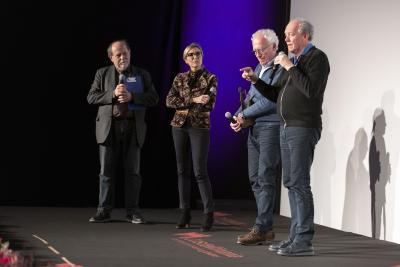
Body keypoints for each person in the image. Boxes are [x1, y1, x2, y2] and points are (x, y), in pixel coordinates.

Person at [240, 18, 330, 256]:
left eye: (290, 35)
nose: (287, 39)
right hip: (286, 127)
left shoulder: (316, 58)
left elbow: (311, 91)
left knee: (299, 183)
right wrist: (256, 81)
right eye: (286, 35)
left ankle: (304, 240)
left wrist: (289, 66)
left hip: (303, 127)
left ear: (305, 36)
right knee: (290, 183)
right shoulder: (296, 61)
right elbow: (274, 93)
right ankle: (294, 237)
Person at [87, 39, 159, 224]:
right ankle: (103, 211)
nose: (122, 57)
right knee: (106, 172)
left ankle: (133, 212)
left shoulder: (142, 75)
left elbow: (154, 98)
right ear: (111, 57)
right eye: (118, 54)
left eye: (125, 53)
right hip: (108, 127)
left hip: (133, 128)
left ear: (130, 54)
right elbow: (91, 97)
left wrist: (133, 96)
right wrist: (112, 94)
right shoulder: (101, 74)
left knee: (133, 172)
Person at [230, 29, 283, 245]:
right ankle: (266, 227)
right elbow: (252, 98)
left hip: (271, 128)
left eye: (261, 49)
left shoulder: (282, 68)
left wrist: (244, 114)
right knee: (255, 178)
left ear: (274, 46)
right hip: (255, 128)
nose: (258, 54)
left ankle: (261, 227)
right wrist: (237, 116)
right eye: (255, 51)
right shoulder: (260, 68)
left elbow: (271, 101)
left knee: (266, 178)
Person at [166, 43, 217, 232]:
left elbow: (209, 104)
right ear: (185, 59)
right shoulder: (180, 78)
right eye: (191, 55)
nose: (195, 57)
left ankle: (208, 213)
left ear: (202, 56)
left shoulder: (211, 78)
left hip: (199, 127)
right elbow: (169, 100)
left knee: (199, 171)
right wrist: (194, 100)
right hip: (179, 126)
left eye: (198, 54)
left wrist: (189, 103)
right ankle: (184, 212)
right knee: (181, 171)